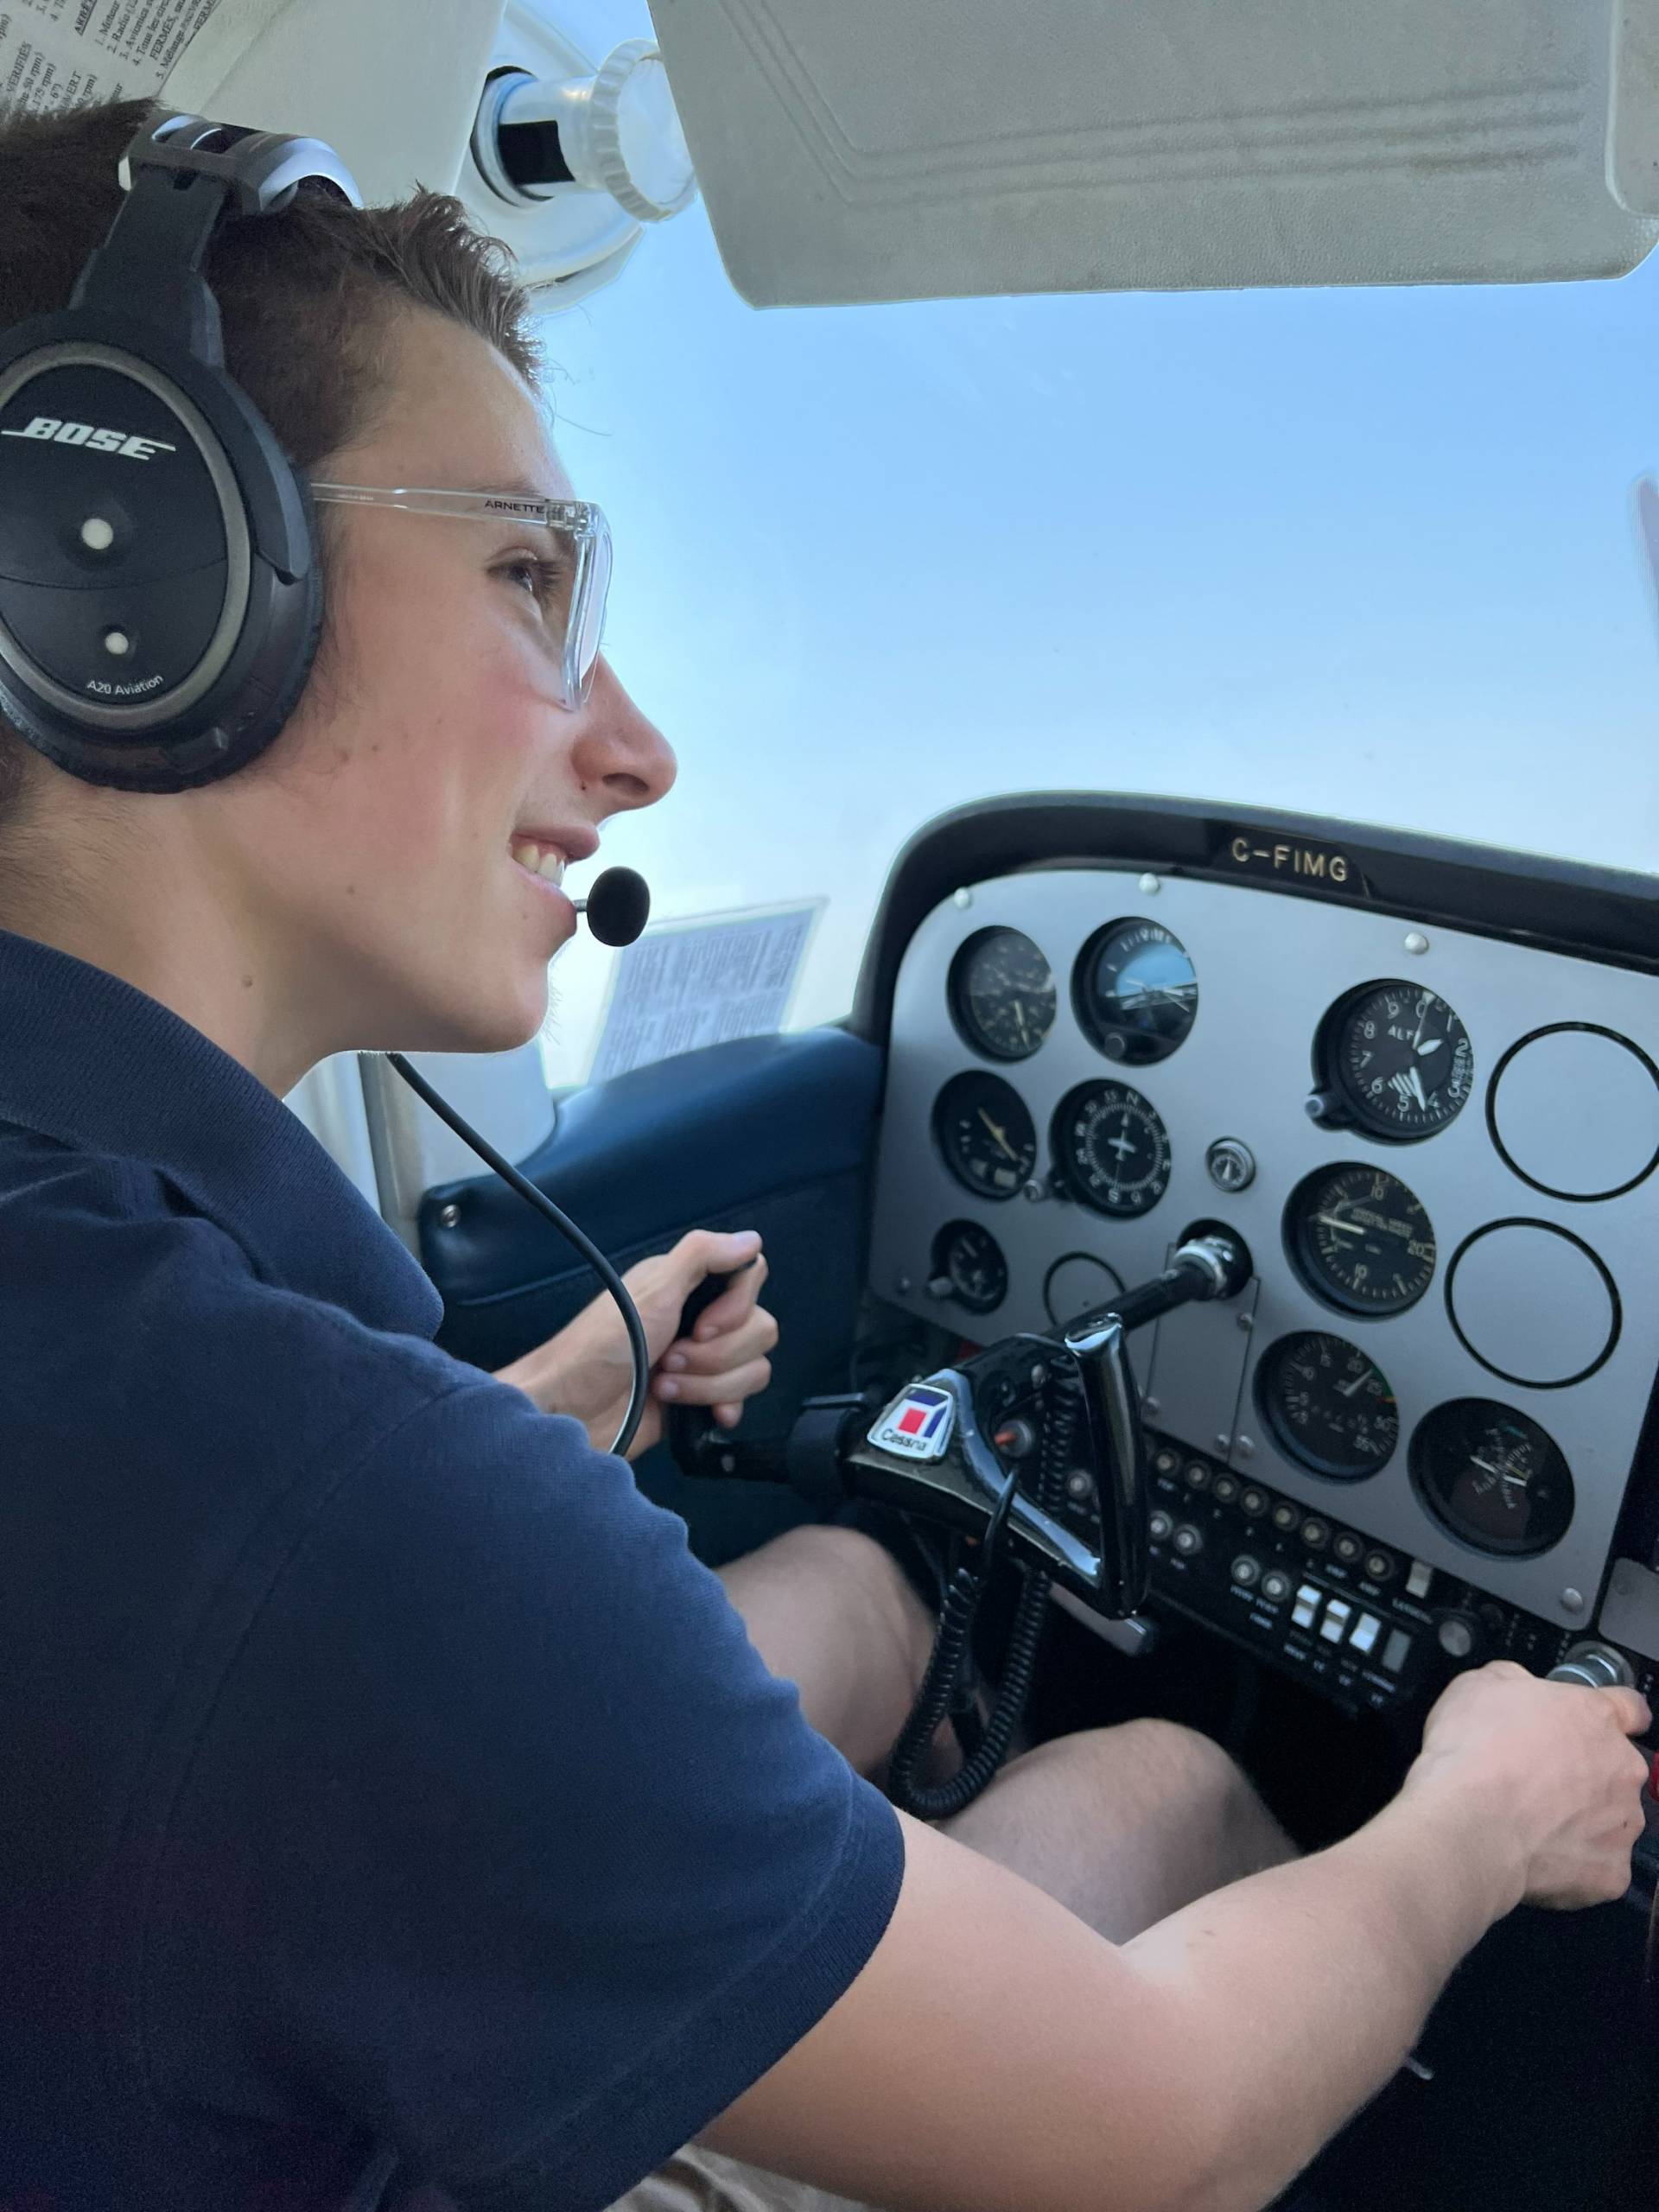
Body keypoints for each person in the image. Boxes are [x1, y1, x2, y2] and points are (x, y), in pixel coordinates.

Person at [0, 95, 1649, 2212]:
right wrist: (1483, 1809)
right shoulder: (314, 1497)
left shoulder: (148, 1348)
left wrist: (545, 1409)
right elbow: (1158, 2128)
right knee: (1152, 1776)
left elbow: (254, 1648)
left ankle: (865, 1721)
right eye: (528, 574)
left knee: (869, 1580)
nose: (637, 744)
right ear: (128, 571)